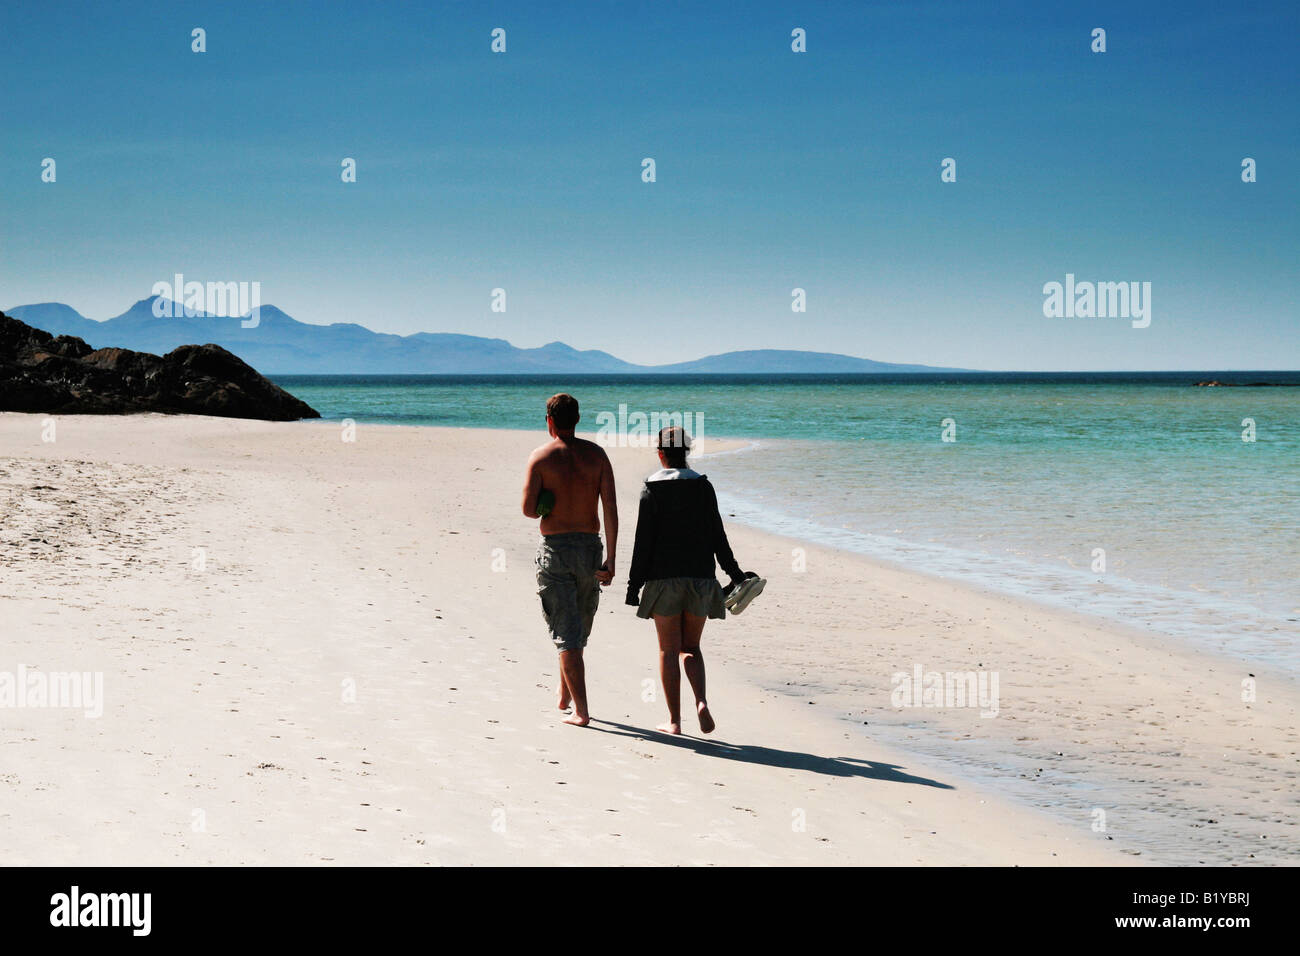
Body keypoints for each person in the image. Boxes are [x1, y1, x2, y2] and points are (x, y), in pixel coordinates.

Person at [625, 425, 751, 735]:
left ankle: (674, 721)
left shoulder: (651, 489)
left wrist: (633, 586)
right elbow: (717, 537)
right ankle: (701, 702)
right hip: (700, 578)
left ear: (660, 454)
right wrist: (735, 575)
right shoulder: (702, 487)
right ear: (687, 453)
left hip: (662, 580)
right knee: (691, 647)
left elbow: (643, 543)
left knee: (668, 650)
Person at [522, 393, 617, 727]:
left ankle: (581, 711)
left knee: (567, 632)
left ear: (549, 421)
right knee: (575, 628)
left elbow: (529, 510)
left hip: (557, 549)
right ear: (577, 419)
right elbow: (610, 508)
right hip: (591, 547)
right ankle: (564, 696)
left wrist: (548, 502)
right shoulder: (597, 455)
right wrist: (612, 559)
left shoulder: (541, 457)